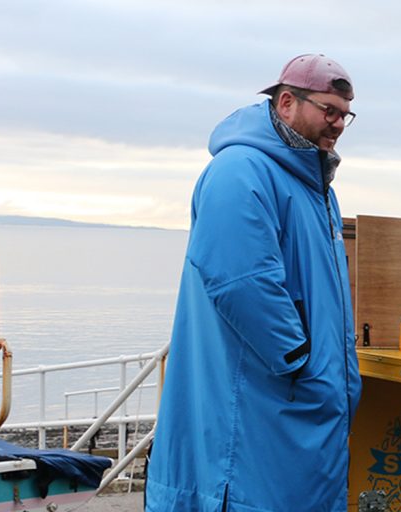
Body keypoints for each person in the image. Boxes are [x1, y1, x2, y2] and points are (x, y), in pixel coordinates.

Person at [146, 54, 362, 511]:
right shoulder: (241, 171)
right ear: (286, 102)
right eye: (329, 110)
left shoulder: (314, 186)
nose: (339, 124)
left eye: (346, 114)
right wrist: (302, 364)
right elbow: (241, 282)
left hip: (292, 401)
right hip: (260, 404)